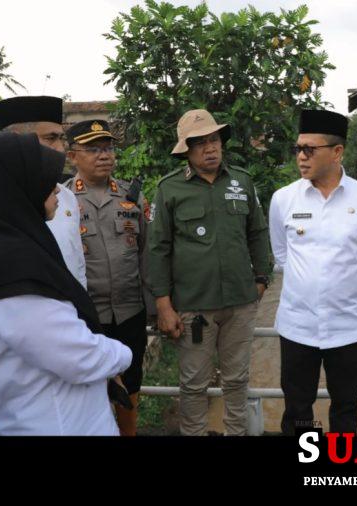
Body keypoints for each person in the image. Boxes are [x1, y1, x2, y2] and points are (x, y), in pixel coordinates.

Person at [0, 132, 132, 435]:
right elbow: (75, 355)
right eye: (44, 179)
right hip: (49, 422)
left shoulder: (8, 247)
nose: (57, 189)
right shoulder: (9, 269)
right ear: (14, 186)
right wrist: (121, 354)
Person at [149, 109, 271, 436]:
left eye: (214, 139)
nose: (210, 148)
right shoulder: (169, 189)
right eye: (200, 142)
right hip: (193, 307)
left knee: (237, 380)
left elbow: (258, 233)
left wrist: (261, 279)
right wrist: (163, 304)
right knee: (193, 384)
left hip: (240, 303)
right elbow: (157, 248)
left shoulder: (242, 181)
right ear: (186, 150)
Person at [269, 109, 357, 435]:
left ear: (337, 152)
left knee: (346, 409)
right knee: (297, 410)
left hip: (346, 327)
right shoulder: (283, 200)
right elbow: (282, 255)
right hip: (297, 326)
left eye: (310, 149)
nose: (301, 156)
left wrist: (340, 288)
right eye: (298, 148)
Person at [64, 119, 149, 436]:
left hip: (129, 310)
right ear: (72, 156)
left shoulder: (132, 196)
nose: (104, 155)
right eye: (94, 149)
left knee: (132, 379)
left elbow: (147, 255)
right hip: (86, 317)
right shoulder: (62, 200)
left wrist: (156, 306)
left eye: (108, 148)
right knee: (90, 385)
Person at [0, 96, 87, 287]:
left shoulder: (66, 196)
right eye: (50, 138)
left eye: (60, 138)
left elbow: (77, 264)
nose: (60, 149)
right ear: (16, 140)